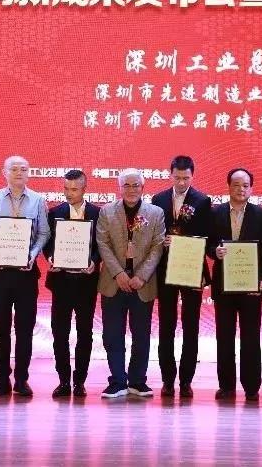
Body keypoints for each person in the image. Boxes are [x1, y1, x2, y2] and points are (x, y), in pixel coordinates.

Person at [0, 156, 51, 398]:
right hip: (0, 273)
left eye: (24, 169)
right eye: (14, 169)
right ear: (4, 172)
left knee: (25, 329)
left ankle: (21, 379)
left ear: (29, 173)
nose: (19, 172)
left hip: (26, 274)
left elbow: (43, 233)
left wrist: (32, 254)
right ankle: (2, 379)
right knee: (0, 329)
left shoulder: (38, 200)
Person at [95, 168, 165, 399]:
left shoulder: (155, 213)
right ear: (120, 187)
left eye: (136, 185)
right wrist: (118, 273)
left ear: (143, 188)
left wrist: (141, 276)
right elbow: (103, 244)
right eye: (127, 185)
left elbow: (157, 247)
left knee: (141, 336)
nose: (131, 189)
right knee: (112, 335)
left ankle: (137, 381)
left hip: (142, 284)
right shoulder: (107, 211)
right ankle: (117, 381)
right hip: (113, 282)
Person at [207, 168, 262, 402]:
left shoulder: (261, 214)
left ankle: (252, 386)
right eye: (236, 185)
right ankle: (226, 386)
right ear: (228, 187)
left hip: (251, 286)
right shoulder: (216, 213)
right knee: (224, 337)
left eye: (245, 185)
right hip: (224, 285)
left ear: (251, 188)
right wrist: (215, 251)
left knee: (251, 337)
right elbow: (208, 244)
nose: (240, 189)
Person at [151, 155, 212, 398]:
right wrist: (162, 240)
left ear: (192, 176)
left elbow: (206, 236)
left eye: (186, 178)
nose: (181, 182)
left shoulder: (203, 201)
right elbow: (152, 235)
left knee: (191, 326)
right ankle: (168, 380)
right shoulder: (158, 200)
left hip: (191, 268)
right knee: (166, 326)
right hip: (165, 269)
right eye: (177, 178)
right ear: (170, 175)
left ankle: (186, 381)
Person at [43, 169, 100, 398]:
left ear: (84, 189)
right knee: (60, 333)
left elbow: (102, 244)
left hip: (86, 283)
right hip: (61, 282)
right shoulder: (54, 213)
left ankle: (80, 381)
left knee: (85, 333)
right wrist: (50, 257)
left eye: (74, 189)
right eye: (66, 188)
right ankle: (63, 380)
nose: (69, 193)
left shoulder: (97, 213)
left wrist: (95, 261)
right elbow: (47, 243)